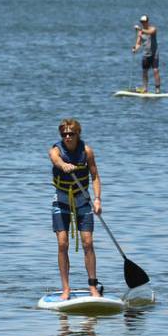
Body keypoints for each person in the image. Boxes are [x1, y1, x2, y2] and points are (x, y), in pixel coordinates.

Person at [48, 118, 102, 300]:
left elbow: (94, 176)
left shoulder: (87, 151)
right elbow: (56, 160)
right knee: (63, 243)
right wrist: (64, 165)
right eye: (64, 134)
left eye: (71, 133)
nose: (68, 137)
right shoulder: (56, 150)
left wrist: (97, 200)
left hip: (82, 200)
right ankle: (66, 289)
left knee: (88, 242)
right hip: (61, 201)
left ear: (78, 134)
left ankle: (93, 287)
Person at [132, 14, 161, 93]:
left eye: (144, 21)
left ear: (147, 21)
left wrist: (140, 29)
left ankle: (157, 89)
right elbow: (138, 43)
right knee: (144, 72)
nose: (143, 23)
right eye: (142, 22)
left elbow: (149, 32)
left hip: (154, 54)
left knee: (155, 70)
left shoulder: (153, 29)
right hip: (146, 54)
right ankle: (145, 88)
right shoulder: (140, 33)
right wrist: (135, 49)